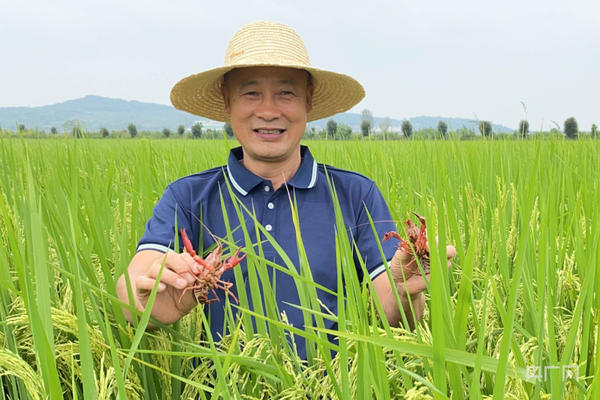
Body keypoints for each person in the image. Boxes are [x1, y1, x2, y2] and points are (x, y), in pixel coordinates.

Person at [116, 21, 456, 359]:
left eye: (286, 93)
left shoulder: (356, 195)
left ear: (307, 101)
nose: (268, 110)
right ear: (226, 102)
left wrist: (404, 293)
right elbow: (133, 284)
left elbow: (395, 315)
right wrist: (146, 300)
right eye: (250, 93)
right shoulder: (187, 197)